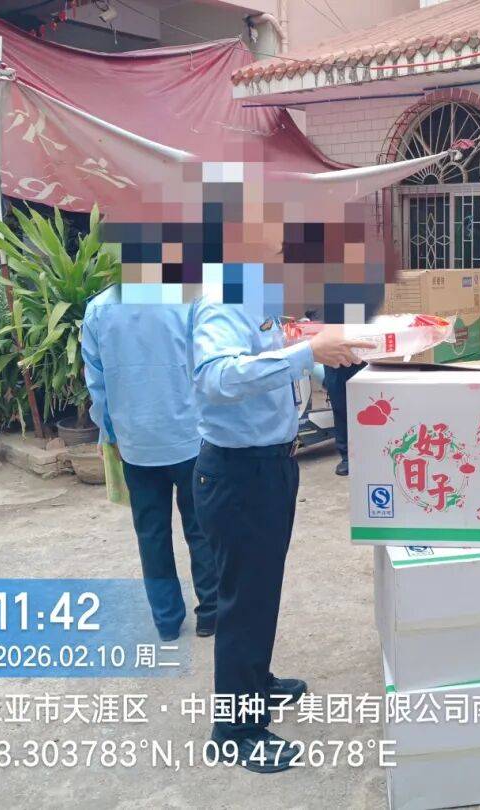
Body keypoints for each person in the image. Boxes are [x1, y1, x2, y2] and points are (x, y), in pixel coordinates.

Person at [188, 296, 370, 773]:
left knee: (261, 592)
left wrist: (338, 359)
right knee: (244, 602)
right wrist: (308, 353)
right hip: (239, 473)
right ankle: (234, 731)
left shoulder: (259, 298)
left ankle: (255, 683)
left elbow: (271, 360)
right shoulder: (224, 299)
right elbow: (216, 377)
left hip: (270, 465)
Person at [82, 287, 217, 642]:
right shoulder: (190, 300)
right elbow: (208, 366)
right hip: (190, 435)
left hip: (135, 442)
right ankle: (211, 613)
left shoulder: (99, 309)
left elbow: (97, 383)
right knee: (201, 527)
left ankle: (167, 620)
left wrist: (108, 433)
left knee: (151, 534)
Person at [322, 363, 364, 476]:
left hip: (366, 360)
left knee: (369, 405)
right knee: (340, 407)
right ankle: (347, 457)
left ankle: (371, 452)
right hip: (335, 362)